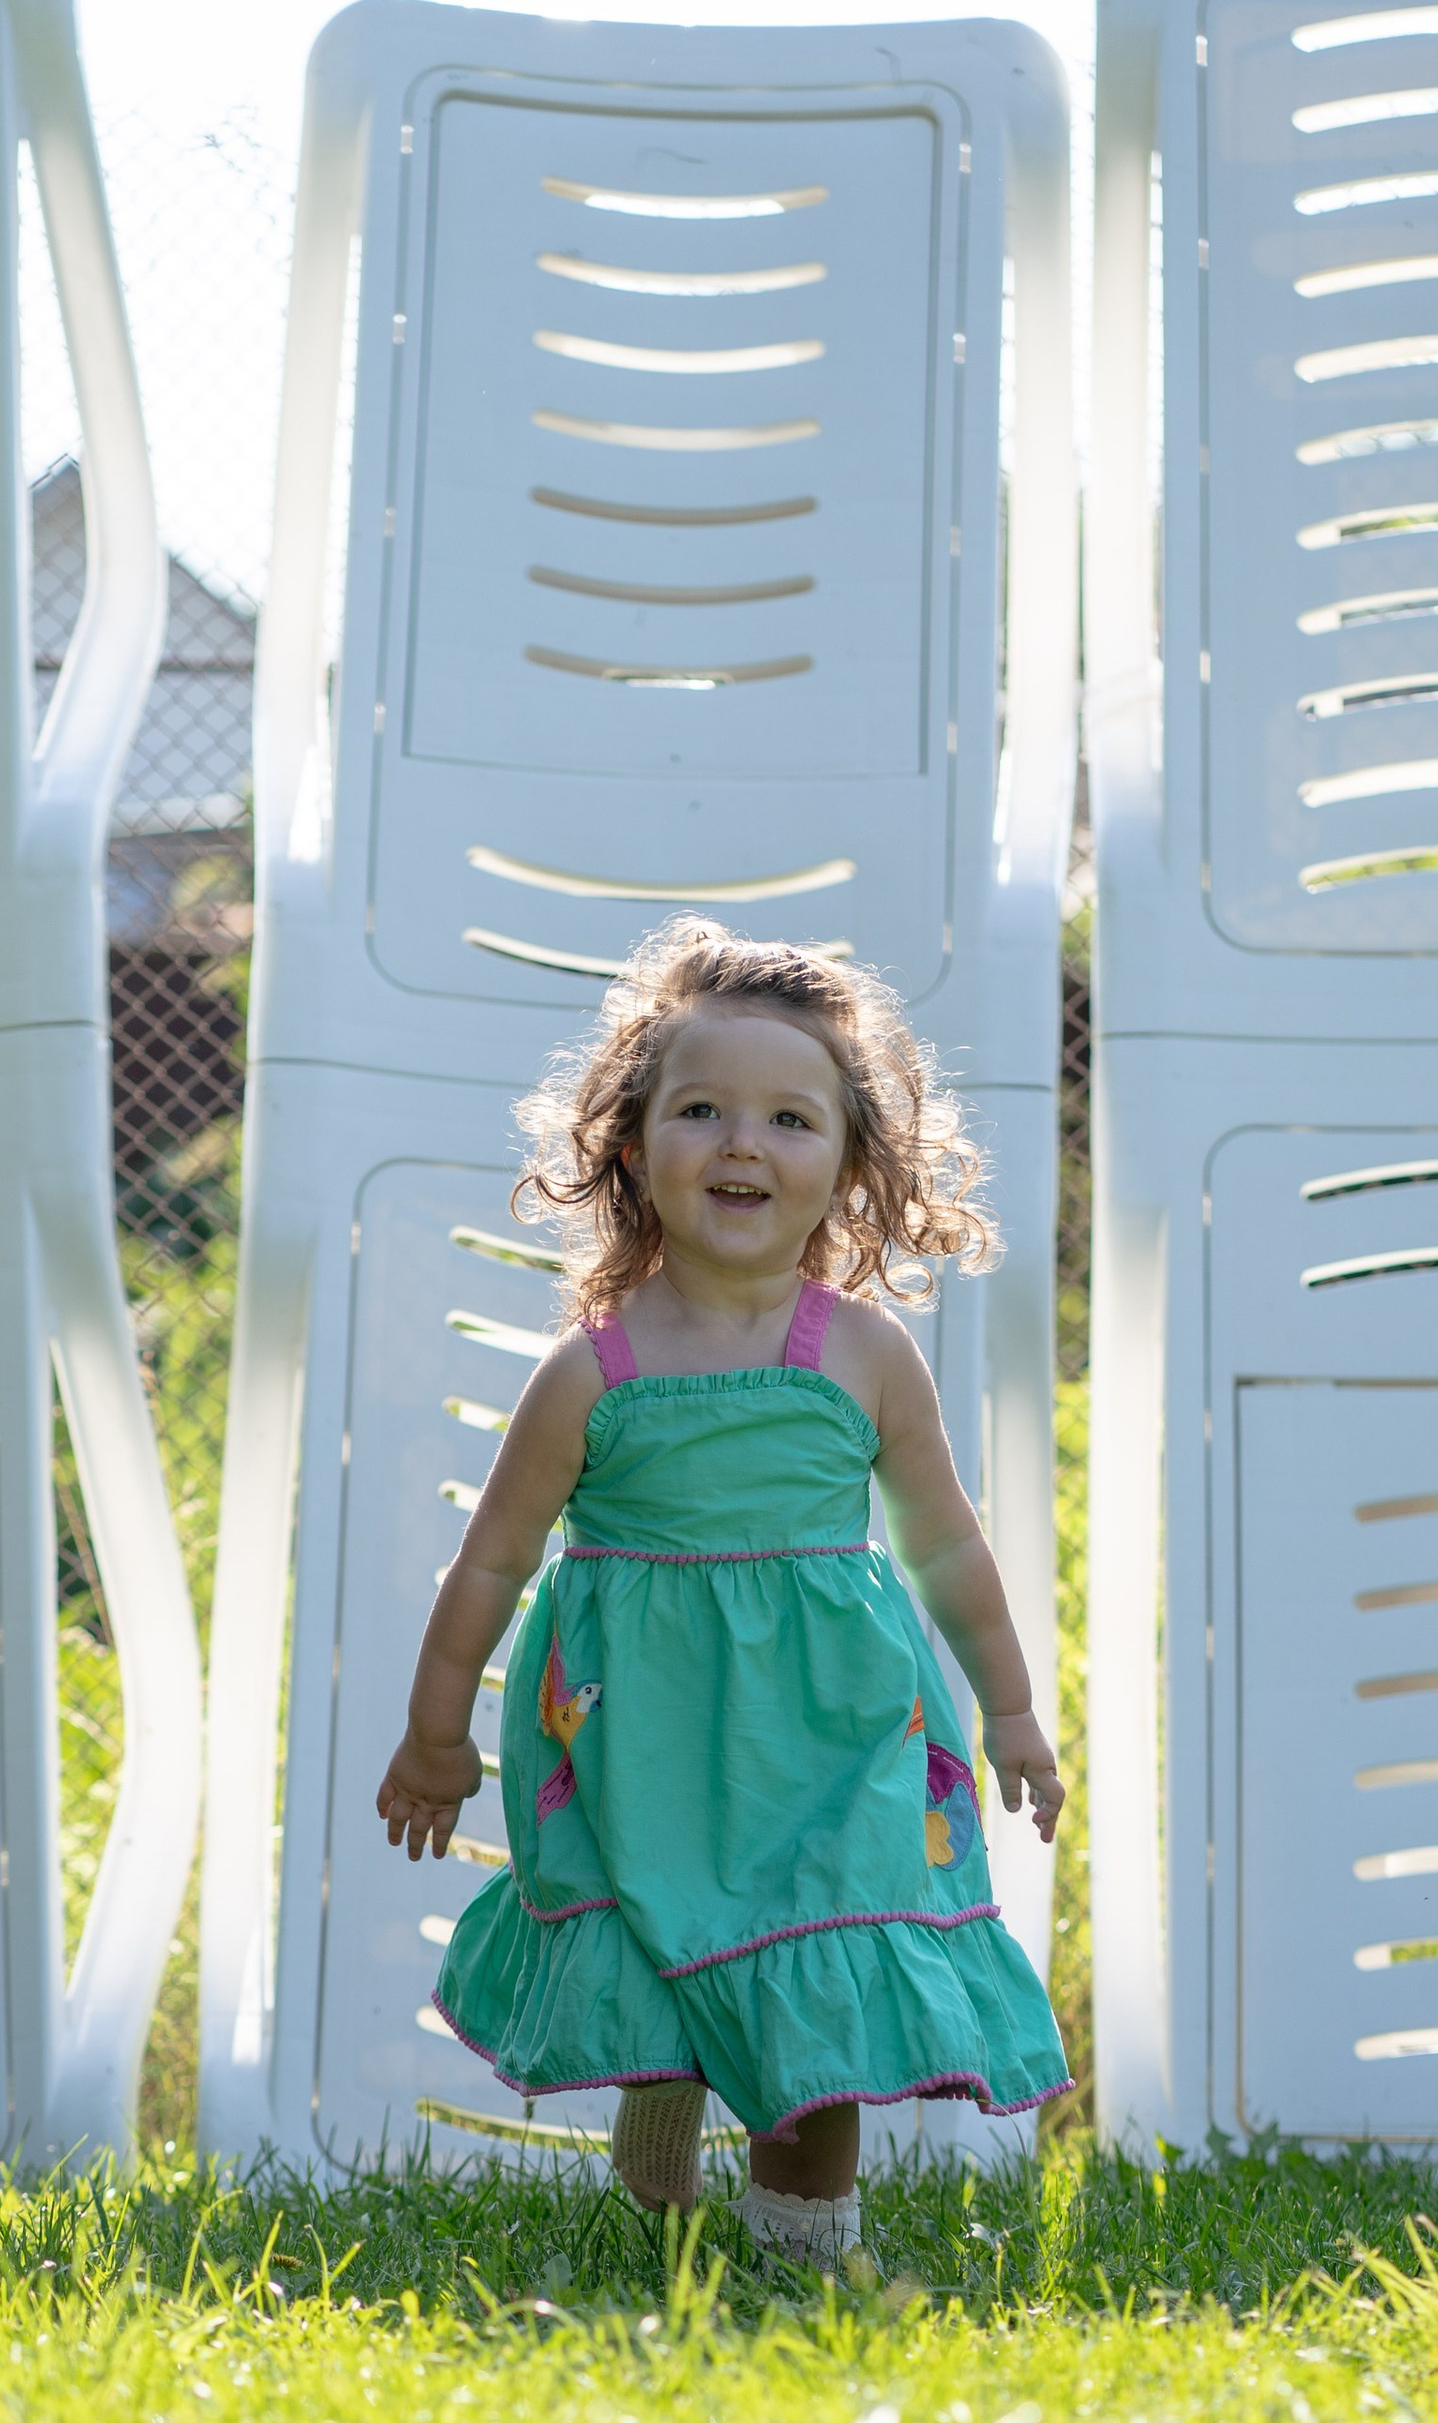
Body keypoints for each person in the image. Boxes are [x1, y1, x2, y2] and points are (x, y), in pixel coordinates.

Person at [377, 917, 1068, 2269]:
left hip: (834, 1736)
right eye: (702, 1109)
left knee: (815, 1986)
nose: (743, 1143)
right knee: (666, 1967)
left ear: (852, 1164)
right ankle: (660, 2224)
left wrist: (1013, 1712)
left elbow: (948, 1549)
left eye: (790, 1119)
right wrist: (435, 1733)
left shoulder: (866, 1358)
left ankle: (803, 2245)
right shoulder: (595, 1372)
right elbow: (494, 1562)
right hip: (649, 1743)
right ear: (632, 1142)